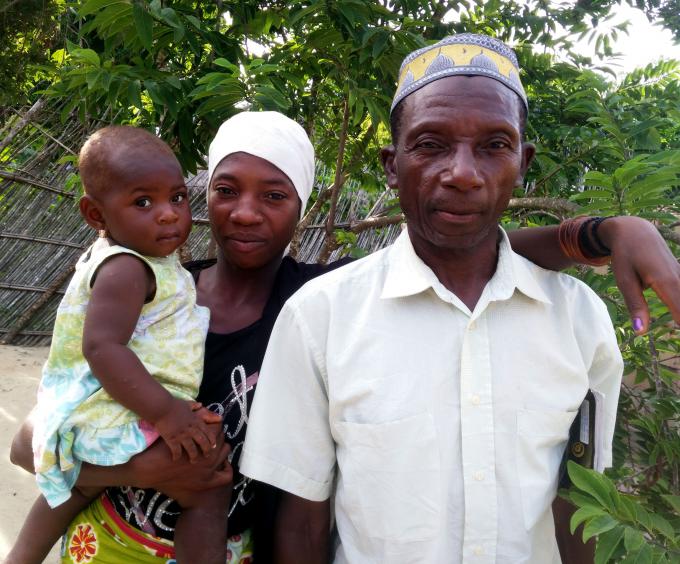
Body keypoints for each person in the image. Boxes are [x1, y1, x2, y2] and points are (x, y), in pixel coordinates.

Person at [7, 109, 680, 563]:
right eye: (226, 190)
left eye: (275, 195)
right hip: (109, 538)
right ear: (203, 195)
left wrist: (605, 234)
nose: (246, 212)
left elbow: (465, 246)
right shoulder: (149, 301)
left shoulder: (318, 305)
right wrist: (146, 470)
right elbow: (30, 443)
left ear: (301, 208)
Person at [238, 34, 636, 563]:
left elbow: (577, 502)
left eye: (495, 145)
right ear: (391, 164)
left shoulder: (579, 318)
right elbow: (301, 521)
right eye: (431, 144)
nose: (464, 174)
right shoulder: (322, 317)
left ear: (524, 161)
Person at [5, 126, 229, 564]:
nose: (167, 214)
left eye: (177, 198)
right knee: (209, 486)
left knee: (78, 487)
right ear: (96, 215)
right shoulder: (126, 267)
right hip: (120, 405)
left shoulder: (140, 260)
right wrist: (167, 413)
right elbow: (103, 348)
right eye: (143, 202)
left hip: (103, 404)